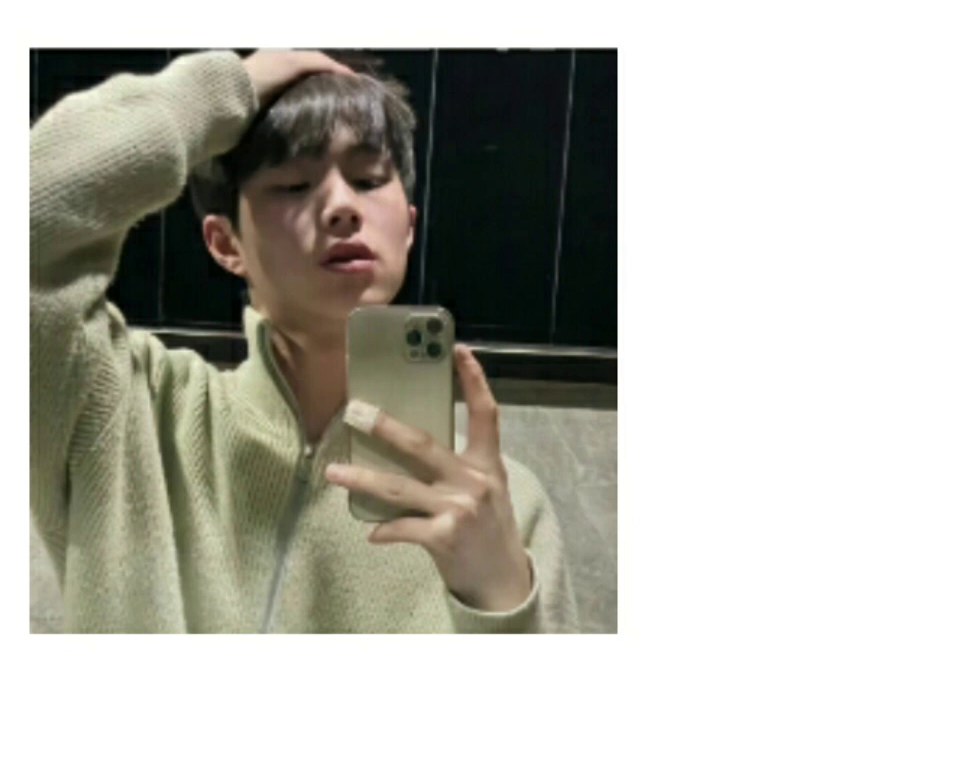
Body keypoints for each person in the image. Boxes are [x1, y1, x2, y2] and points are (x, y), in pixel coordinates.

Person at [30, 49, 580, 632]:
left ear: (409, 227)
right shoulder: (124, 411)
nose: (342, 207)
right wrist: (228, 88)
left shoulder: (498, 504)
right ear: (226, 244)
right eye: (294, 184)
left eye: (369, 180)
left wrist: (498, 597)